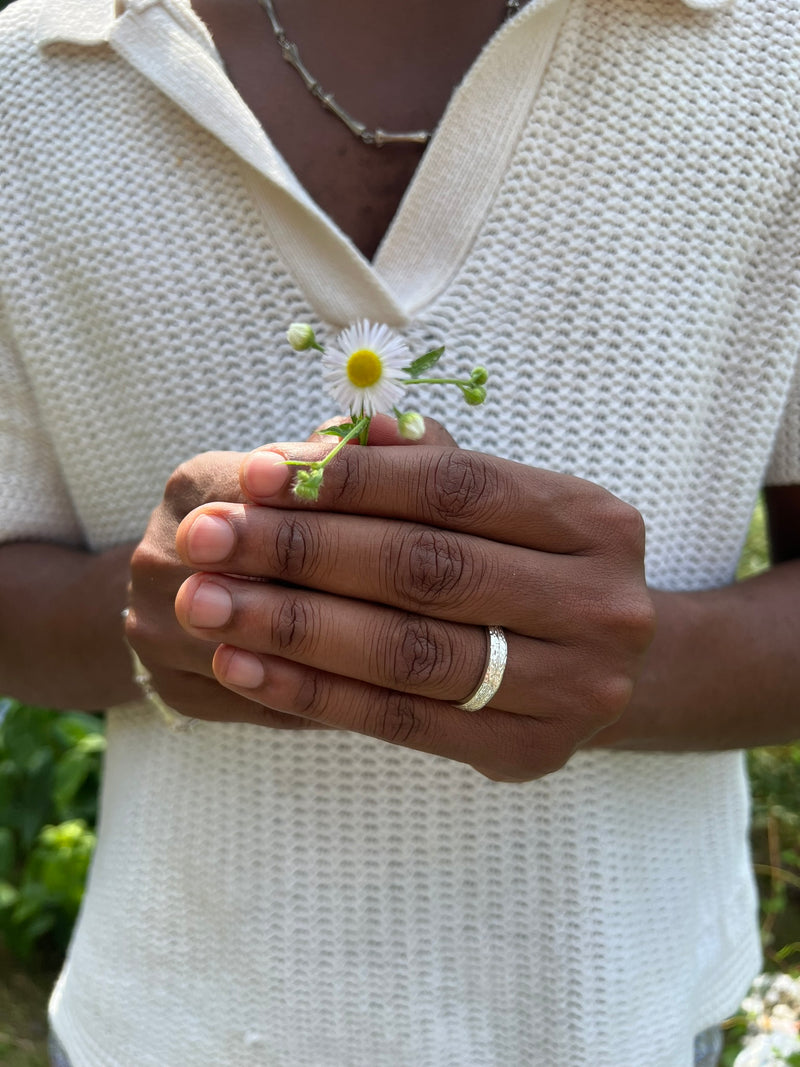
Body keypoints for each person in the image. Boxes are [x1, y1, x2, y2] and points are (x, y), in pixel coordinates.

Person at [1, 0, 799, 1064]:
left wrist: (630, 664)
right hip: (163, 1015)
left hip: (622, 1017)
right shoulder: (37, 65)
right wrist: (159, 609)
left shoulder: (771, 46)